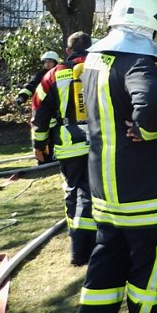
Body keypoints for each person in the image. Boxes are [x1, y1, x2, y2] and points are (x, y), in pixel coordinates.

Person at [78, 0, 157, 313]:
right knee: (152, 266)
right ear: (149, 26)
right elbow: (154, 98)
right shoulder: (137, 62)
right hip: (146, 196)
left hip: (107, 193)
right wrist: (148, 128)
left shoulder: (95, 61)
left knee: (107, 262)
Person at [30, 32, 96, 265]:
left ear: (67, 51)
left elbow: (39, 114)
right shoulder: (101, 67)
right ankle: (101, 245)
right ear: (91, 47)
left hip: (69, 145)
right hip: (101, 142)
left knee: (75, 193)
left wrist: (40, 146)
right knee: (99, 192)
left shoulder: (52, 75)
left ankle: (79, 251)